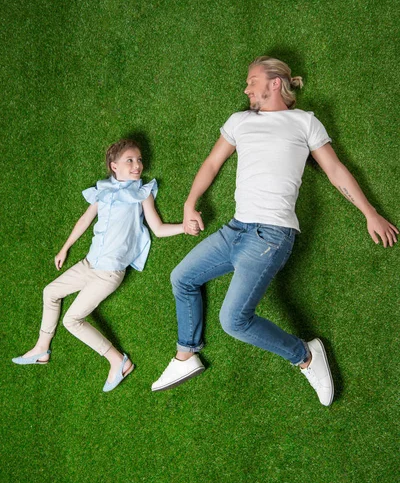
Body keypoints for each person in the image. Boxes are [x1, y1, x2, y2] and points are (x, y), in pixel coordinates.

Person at [151, 56, 398, 406]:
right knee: (182, 277)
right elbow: (211, 163)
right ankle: (186, 354)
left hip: (271, 236)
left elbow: (335, 170)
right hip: (235, 229)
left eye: (252, 80)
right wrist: (190, 203)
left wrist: (370, 213)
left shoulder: (304, 123)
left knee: (233, 321)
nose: (246, 87)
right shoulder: (240, 122)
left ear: (275, 84)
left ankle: (306, 355)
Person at [13, 138, 199, 392]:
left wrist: (183, 228)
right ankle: (42, 348)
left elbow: (157, 228)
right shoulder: (103, 191)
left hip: (109, 272)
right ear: (114, 166)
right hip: (88, 264)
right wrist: (64, 248)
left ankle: (117, 360)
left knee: (72, 320)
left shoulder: (141, 194)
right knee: (50, 292)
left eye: (140, 160)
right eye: (130, 161)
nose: (137, 166)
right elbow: (84, 220)